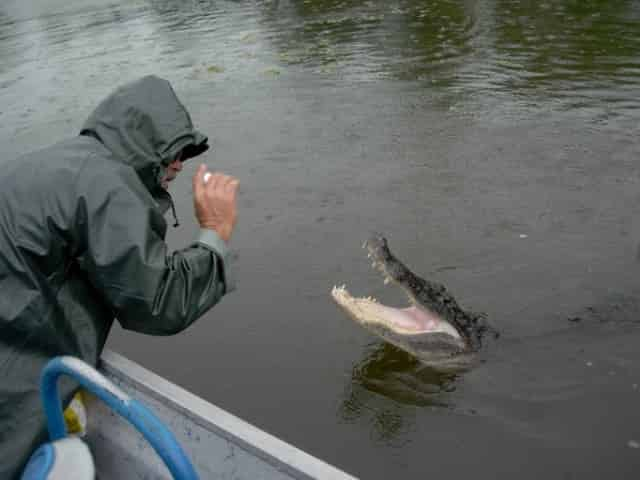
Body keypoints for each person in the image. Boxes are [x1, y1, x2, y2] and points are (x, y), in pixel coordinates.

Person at [0, 75, 239, 478]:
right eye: (175, 151)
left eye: (186, 152)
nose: (180, 164)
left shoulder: (61, 161)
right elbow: (158, 302)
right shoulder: (107, 184)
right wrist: (215, 232)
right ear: (142, 140)